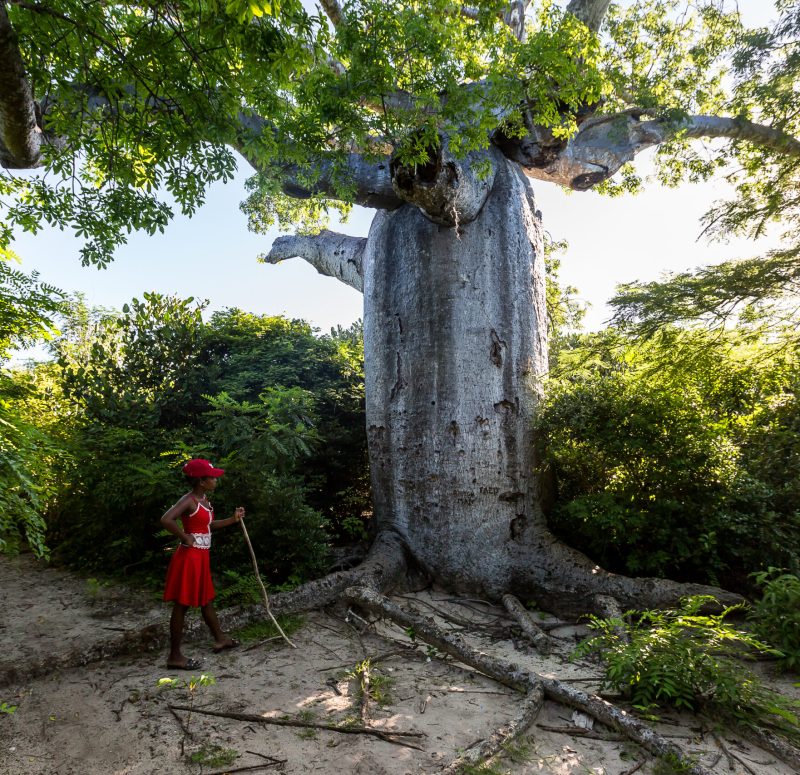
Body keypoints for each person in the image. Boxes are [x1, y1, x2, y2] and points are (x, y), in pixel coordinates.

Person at [161, 458, 245, 670]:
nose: (216, 480)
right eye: (212, 477)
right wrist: (184, 536)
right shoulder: (188, 500)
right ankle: (174, 656)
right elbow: (166, 519)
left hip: (201, 557)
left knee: (206, 599)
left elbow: (208, 526)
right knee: (182, 604)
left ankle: (220, 638)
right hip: (189, 558)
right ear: (201, 481)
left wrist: (232, 519)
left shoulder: (204, 500)